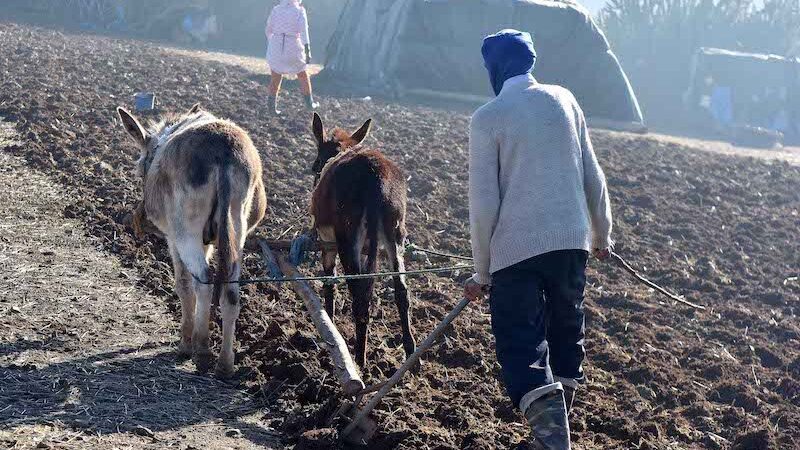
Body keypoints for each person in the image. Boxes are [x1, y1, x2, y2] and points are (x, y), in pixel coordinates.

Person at [463, 29, 614, 450]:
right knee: (567, 330)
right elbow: (593, 176)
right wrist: (602, 235)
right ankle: (556, 432)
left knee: (521, 342)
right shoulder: (563, 99)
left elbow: (483, 205)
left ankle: (552, 441)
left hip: (515, 252)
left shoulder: (488, 117)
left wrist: (482, 271)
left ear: (493, 68)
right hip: (571, 243)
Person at [265, 0, 318, 114]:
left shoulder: (276, 10)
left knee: (276, 76)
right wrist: (307, 51)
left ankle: (271, 107)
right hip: (293, 45)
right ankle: (310, 103)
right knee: (303, 74)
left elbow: (268, 29)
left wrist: (273, 42)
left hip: (276, 45)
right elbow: (304, 32)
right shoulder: (299, 11)